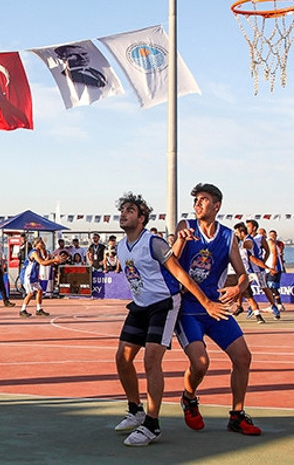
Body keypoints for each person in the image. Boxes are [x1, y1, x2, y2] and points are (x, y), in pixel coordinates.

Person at [112, 192, 229, 447]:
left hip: (164, 305)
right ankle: (135, 410)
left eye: (130, 210)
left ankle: (152, 424)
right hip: (141, 306)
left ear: (142, 218)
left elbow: (182, 275)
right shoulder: (121, 246)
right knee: (122, 357)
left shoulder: (154, 243)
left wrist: (206, 303)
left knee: (151, 360)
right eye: (123, 210)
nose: (124, 214)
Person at [172, 183, 262, 436]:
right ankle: (189, 398)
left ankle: (237, 415)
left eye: (203, 200)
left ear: (217, 206)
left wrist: (237, 289)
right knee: (201, 364)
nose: (197, 204)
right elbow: (173, 264)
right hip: (189, 308)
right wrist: (179, 242)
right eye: (196, 201)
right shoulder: (185, 227)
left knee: (243, 357)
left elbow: (243, 275)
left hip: (216, 308)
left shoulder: (227, 236)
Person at [233, 223, 280, 320]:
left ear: (242, 232)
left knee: (264, 287)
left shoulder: (249, 241)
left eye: (237, 232)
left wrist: (267, 266)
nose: (236, 234)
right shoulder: (245, 241)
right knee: (241, 288)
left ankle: (274, 306)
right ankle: (240, 306)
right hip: (248, 270)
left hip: (257, 270)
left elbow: (254, 258)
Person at [19, 238, 63, 318]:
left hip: (33, 275)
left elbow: (45, 259)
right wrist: (53, 260)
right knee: (30, 293)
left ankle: (39, 309)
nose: (43, 244)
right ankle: (22, 310)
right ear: (37, 244)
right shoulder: (34, 253)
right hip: (27, 276)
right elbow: (42, 263)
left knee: (40, 290)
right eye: (41, 243)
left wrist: (50, 257)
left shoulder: (39, 252)